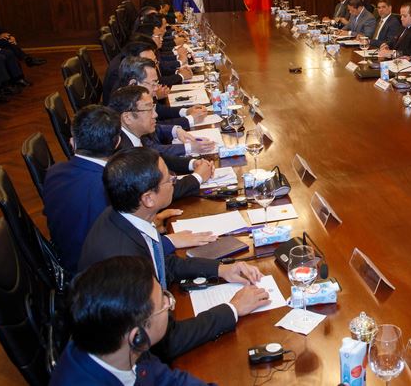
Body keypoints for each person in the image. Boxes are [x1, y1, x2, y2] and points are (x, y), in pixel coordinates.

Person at [78, 148, 271, 360]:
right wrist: (233, 308)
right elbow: (168, 341)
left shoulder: (126, 216)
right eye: (168, 179)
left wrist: (221, 269)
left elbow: (164, 264)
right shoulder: (122, 260)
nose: (174, 179)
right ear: (148, 198)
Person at [43, 105, 214, 274]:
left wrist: (148, 220)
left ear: (72, 142)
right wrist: (168, 242)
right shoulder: (111, 183)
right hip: (102, 273)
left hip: (68, 258)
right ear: (118, 142)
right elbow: (118, 245)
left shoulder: (54, 171)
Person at [50, 256, 215, 385]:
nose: (169, 302)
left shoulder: (119, 345)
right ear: (138, 336)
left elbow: (165, 379)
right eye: (163, 303)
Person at [108, 85, 212, 200]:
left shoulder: (134, 133)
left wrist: (192, 163)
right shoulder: (123, 152)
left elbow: (158, 159)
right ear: (127, 118)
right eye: (149, 109)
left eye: (153, 108)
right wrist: (198, 177)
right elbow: (156, 194)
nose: (155, 115)